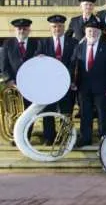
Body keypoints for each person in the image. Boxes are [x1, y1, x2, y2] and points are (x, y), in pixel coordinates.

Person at [71, 19, 106, 147]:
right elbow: (74, 64)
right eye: (89, 31)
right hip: (83, 87)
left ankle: (104, 137)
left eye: (95, 31)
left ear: (99, 32)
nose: (92, 33)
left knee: (103, 113)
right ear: (85, 32)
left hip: (101, 87)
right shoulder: (80, 47)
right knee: (85, 113)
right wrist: (73, 82)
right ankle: (86, 138)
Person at [35, 15, 78, 144]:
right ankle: (49, 137)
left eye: (59, 26)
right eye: (54, 26)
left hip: (67, 84)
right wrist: (39, 57)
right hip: (49, 85)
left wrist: (72, 80)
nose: (57, 29)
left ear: (64, 27)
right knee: (48, 112)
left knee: (66, 112)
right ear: (50, 28)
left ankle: (64, 137)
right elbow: (38, 64)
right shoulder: (43, 43)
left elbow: (75, 63)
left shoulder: (73, 42)